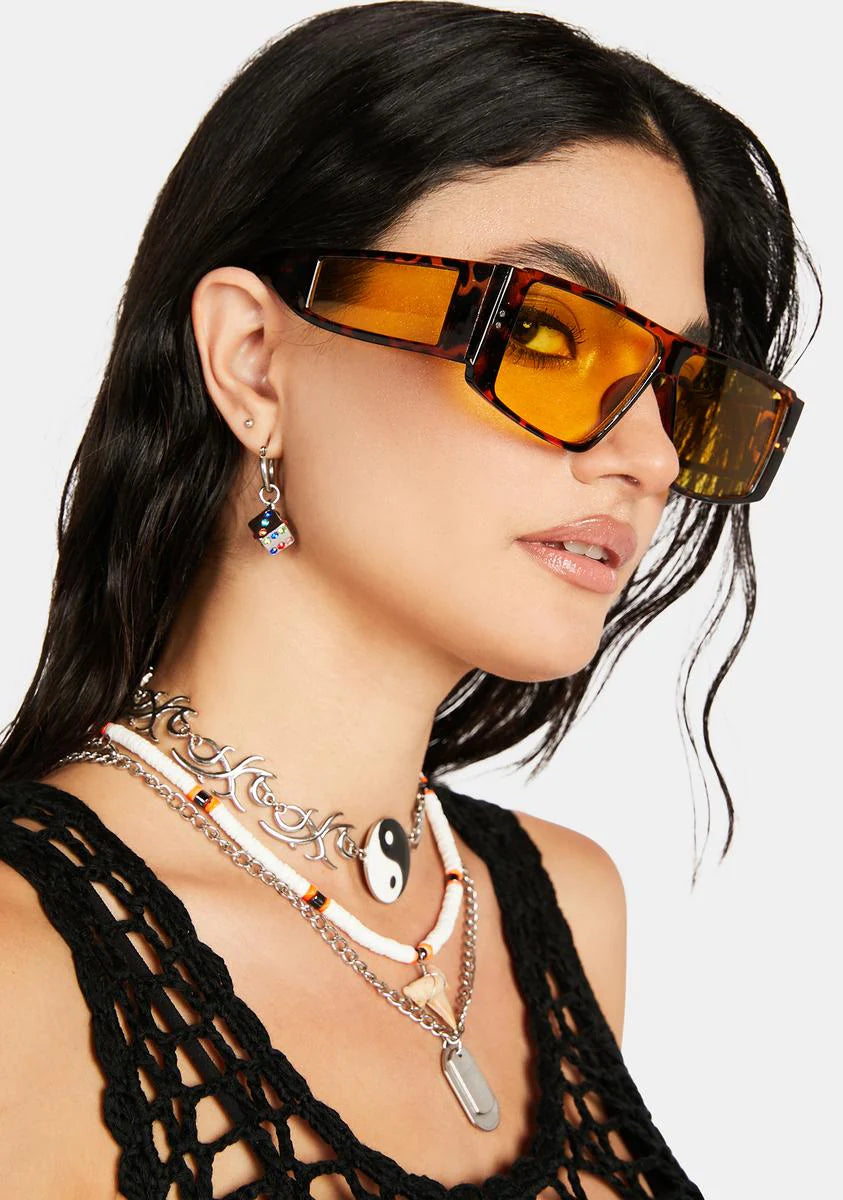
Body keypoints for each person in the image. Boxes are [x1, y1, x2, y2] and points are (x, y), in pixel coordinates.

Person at [0, 2, 817, 1197]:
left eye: (685, 391)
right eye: (546, 336)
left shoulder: (560, 912)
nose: (647, 457)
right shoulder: (21, 959)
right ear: (253, 359)